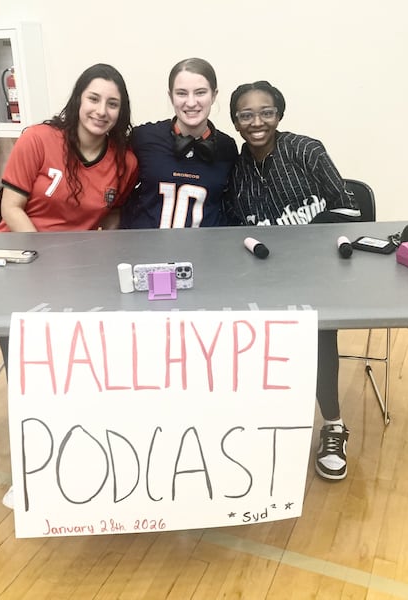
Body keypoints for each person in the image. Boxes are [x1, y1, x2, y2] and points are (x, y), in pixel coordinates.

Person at [226, 80, 361, 481]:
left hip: (318, 272)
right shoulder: (235, 170)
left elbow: (349, 210)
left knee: (318, 335)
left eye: (266, 112)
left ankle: (333, 425)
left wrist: (302, 242)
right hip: (264, 277)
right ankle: (265, 424)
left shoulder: (306, 150)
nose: (257, 122)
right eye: (246, 115)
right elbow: (234, 229)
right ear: (235, 122)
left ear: (279, 115)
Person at [0, 63, 139, 365]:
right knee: (27, 352)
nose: (101, 111)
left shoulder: (125, 162)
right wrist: (42, 258)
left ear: (121, 111)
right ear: (78, 99)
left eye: (112, 104)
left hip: (76, 265)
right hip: (21, 256)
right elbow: (10, 207)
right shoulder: (37, 139)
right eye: (93, 99)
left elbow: (112, 214)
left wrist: (101, 257)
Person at [119, 57, 237, 229]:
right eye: (181, 93)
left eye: (200, 92)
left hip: (204, 246)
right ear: (171, 96)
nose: (191, 102)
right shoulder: (144, 137)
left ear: (214, 95)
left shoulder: (227, 148)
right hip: (145, 245)